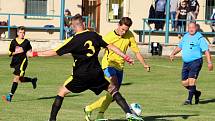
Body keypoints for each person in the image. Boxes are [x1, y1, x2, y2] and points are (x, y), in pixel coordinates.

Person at [26, 14, 143, 121]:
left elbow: (54, 51)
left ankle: (52, 119)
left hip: (81, 76)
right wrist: (126, 57)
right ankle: (128, 113)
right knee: (113, 90)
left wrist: (34, 54)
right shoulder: (94, 35)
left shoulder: (73, 40)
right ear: (84, 24)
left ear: (73, 26)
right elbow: (111, 46)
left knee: (61, 92)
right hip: (96, 74)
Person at [84, 17, 150, 121]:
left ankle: (95, 111)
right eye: (122, 29)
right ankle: (125, 113)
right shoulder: (109, 36)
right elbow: (96, 48)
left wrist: (144, 64)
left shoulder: (130, 35)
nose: (124, 32)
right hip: (108, 64)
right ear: (118, 25)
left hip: (120, 67)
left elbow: (136, 52)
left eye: (126, 30)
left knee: (113, 94)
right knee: (113, 87)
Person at [170, 22, 213, 105]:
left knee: (191, 81)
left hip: (196, 62)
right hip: (186, 63)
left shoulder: (199, 37)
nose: (191, 29)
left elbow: (206, 51)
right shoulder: (185, 36)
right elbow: (180, 47)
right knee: (184, 83)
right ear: (188, 28)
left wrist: (209, 62)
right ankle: (196, 93)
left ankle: (189, 100)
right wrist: (173, 53)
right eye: (190, 27)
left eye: (193, 27)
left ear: (196, 28)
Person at [2, 26, 37, 102]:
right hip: (15, 62)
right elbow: (10, 53)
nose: (22, 34)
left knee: (16, 78)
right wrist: (16, 52)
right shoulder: (13, 42)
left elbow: (30, 50)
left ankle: (10, 96)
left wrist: (29, 53)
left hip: (23, 62)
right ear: (17, 33)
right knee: (20, 79)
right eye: (20, 32)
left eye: (23, 33)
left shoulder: (26, 42)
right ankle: (32, 80)